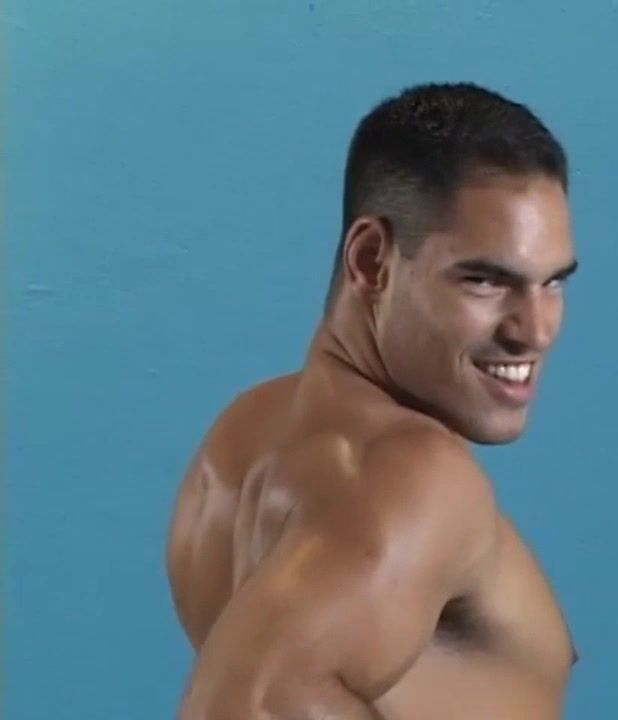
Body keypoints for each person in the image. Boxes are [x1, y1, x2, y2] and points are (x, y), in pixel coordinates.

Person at [166, 82, 580, 719]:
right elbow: (245, 704)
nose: (536, 329)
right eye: (485, 280)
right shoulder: (412, 474)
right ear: (370, 260)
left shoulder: (243, 431)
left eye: (552, 282)